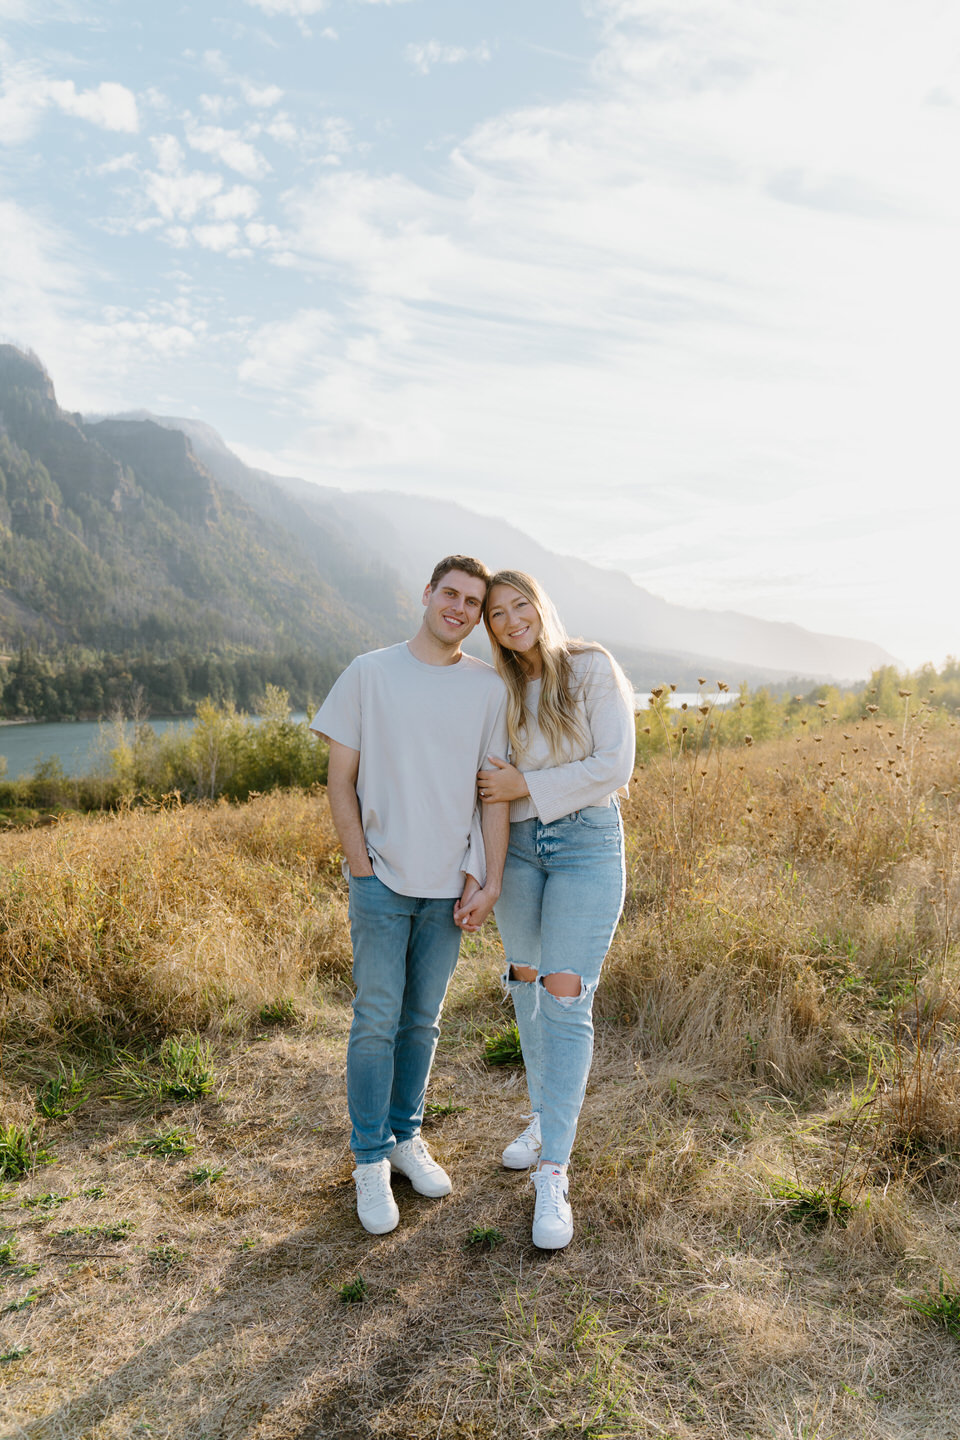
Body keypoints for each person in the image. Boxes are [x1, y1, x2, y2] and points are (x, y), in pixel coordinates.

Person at [311, 556, 509, 1236]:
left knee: (422, 1021)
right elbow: (340, 779)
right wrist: (358, 861)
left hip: (447, 884)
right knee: (375, 1018)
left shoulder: (488, 691)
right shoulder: (370, 672)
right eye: (449, 594)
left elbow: (492, 795)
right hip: (382, 879)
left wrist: (486, 879)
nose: (458, 608)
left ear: (479, 617)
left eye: (472, 603)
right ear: (426, 595)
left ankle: (403, 1136)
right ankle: (369, 1159)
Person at [477, 569, 635, 1250]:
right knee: (527, 984)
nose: (513, 620)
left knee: (567, 995)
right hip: (516, 851)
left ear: (540, 606)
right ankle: (544, 1114)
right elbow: (487, 786)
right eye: (498, 614)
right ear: (489, 629)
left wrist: (525, 786)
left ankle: (553, 1171)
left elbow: (614, 766)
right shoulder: (499, 692)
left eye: (521, 606)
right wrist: (484, 860)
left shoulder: (591, 667)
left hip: (586, 845)